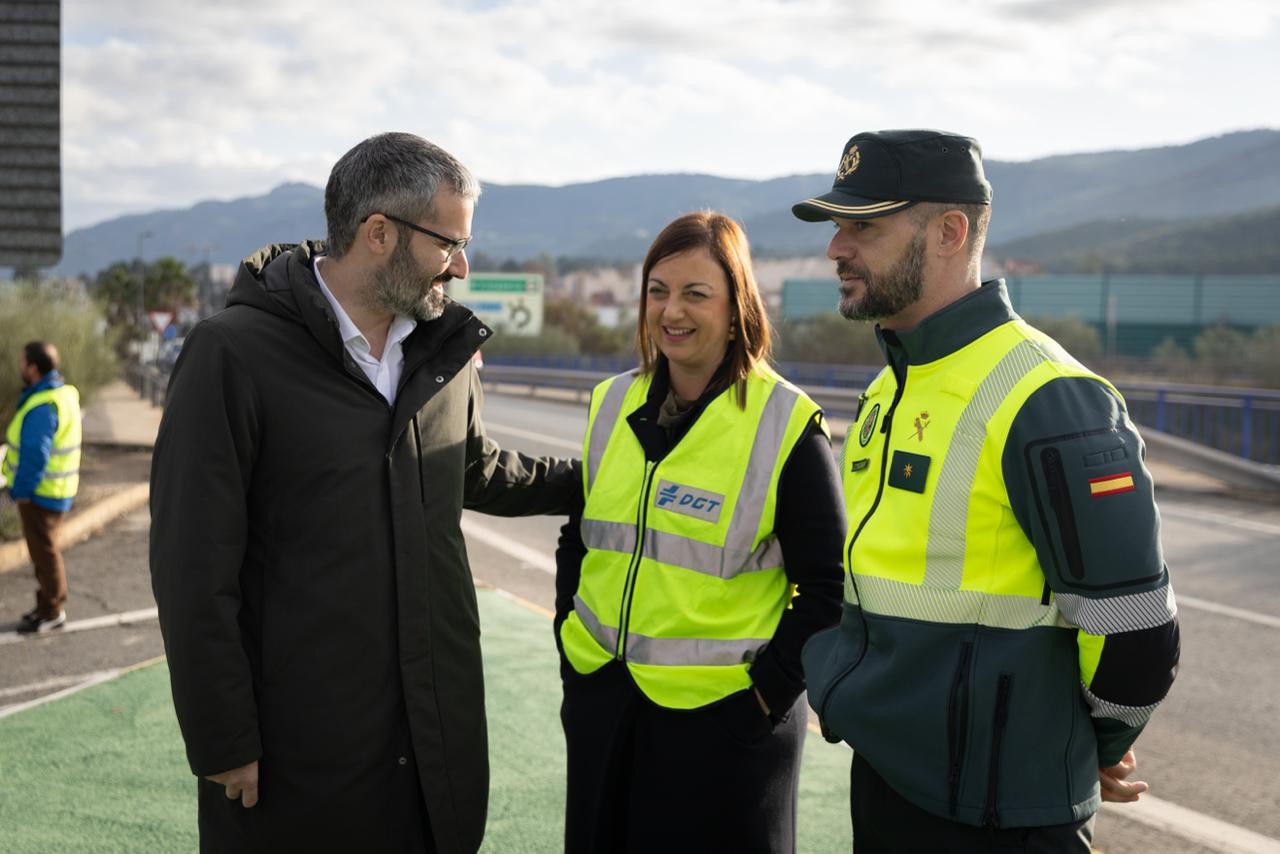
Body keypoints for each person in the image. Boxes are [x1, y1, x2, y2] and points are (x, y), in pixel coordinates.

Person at [149, 132, 579, 854]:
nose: (464, 266)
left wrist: (603, 477)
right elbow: (192, 568)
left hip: (431, 734)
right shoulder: (232, 356)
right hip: (300, 748)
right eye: (451, 243)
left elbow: (473, 467)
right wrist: (223, 737)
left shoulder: (441, 353)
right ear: (380, 233)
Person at [794, 129, 1181, 852]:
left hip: (999, 818)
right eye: (837, 226)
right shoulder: (887, 388)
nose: (836, 249)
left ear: (949, 232)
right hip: (891, 783)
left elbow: (1136, 631)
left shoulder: (1048, 397)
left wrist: (1085, 747)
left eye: (863, 226)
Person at [555, 211, 845, 853]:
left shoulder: (785, 424)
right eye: (657, 290)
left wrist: (764, 699)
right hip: (605, 702)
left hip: (723, 727)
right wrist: (568, 641)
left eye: (695, 293)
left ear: (738, 303)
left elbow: (826, 591)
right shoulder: (610, 404)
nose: (671, 311)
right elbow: (580, 538)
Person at [3, 341, 81, 634]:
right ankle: (48, 605)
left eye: (23, 362)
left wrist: (21, 490)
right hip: (55, 490)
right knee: (45, 552)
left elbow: (36, 453)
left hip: (41, 494)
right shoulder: (61, 394)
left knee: (45, 553)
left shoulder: (43, 404)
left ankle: (52, 610)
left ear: (33, 368)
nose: (20, 367)